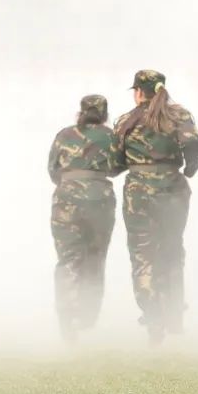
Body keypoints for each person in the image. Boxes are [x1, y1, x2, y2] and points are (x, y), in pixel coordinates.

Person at [114, 70, 198, 345]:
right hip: (173, 189)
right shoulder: (180, 115)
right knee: (173, 249)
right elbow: (193, 142)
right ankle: (174, 316)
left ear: (139, 91)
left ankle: (153, 317)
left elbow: (114, 162)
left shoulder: (126, 120)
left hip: (138, 192)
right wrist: (191, 166)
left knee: (142, 255)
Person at [48, 95, 124, 343]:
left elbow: (52, 169)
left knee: (68, 259)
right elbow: (115, 167)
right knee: (95, 257)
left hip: (66, 199)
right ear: (104, 114)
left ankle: (66, 321)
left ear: (80, 112)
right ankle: (88, 317)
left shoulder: (63, 134)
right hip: (99, 199)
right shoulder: (111, 135)